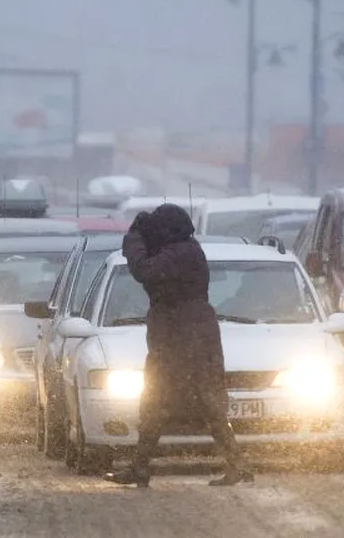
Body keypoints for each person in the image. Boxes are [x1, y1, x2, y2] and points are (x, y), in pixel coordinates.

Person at [105, 203, 252, 488]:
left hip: (184, 337)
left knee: (188, 400)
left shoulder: (180, 252)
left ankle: (236, 464)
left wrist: (135, 239)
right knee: (164, 402)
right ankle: (143, 466)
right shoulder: (186, 249)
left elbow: (144, 271)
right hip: (185, 335)